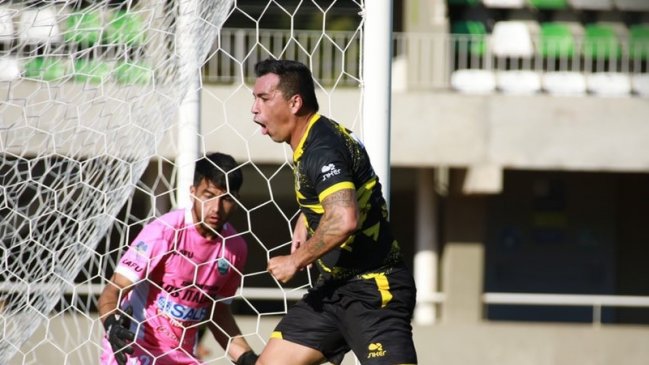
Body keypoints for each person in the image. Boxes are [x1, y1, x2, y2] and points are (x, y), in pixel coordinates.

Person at [251, 58, 418, 365]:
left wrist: (295, 261)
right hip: (332, 291)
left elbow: (344, 219)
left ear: (295, 102)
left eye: (263, 98)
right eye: (254, 99)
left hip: (374, 291)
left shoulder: (321, 150)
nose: (254, 109)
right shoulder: (317, 136)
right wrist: (307, 218)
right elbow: (341, 195)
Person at [97, 152, 258, 365]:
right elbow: (113, 290)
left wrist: (247, 358)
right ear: (193, 192)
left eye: (226, 199)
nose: (216, 209)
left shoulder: (235, 249)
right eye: (208, 196)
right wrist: (112, 325)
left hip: (181, 357)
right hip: (135, 349)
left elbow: (217, 312)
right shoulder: (164, 232)